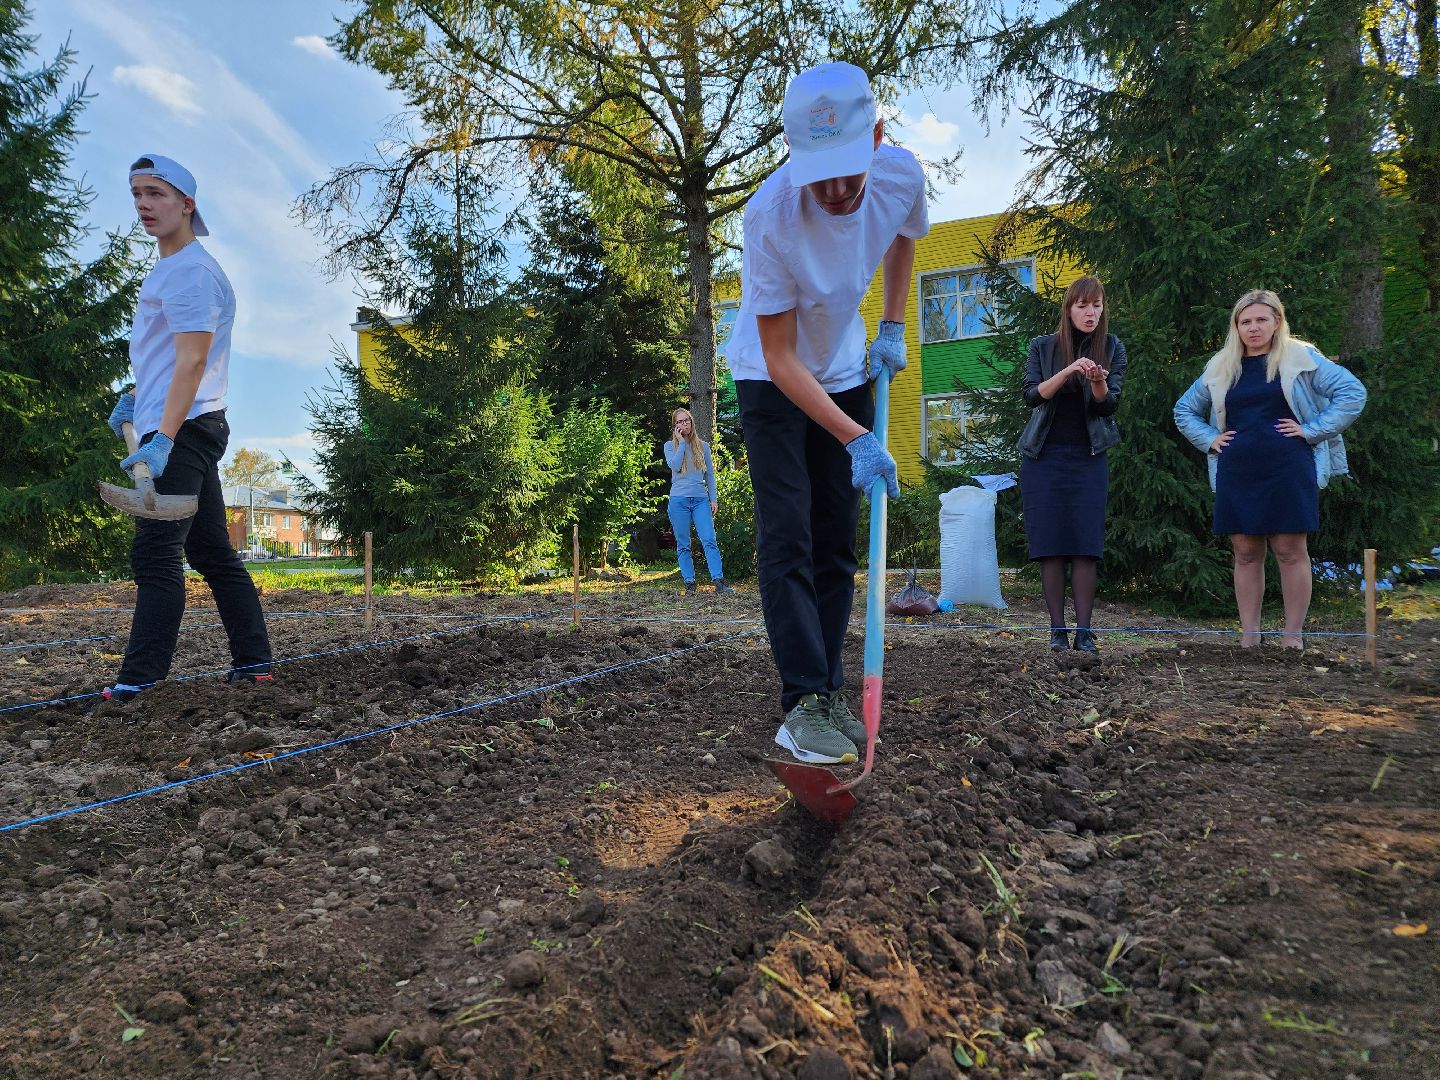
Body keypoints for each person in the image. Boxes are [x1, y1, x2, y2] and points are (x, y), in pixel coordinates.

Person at [724, 61, 927, 764]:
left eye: (850, 170)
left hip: (844, 369)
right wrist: (858, 437)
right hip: (769, 376)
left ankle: (833, 692)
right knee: (790, 536)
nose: (838, 193)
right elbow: (781, 359)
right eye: (821, 175)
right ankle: (803, 701)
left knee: (837, 537)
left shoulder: (901, 174)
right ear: (793, 155)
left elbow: (903, 233)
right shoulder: (772, 215)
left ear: (875, 135)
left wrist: (893, 325)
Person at [102, 154, 273, 701]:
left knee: (155, 556)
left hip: (183, 428)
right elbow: (167, 359)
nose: (144, 205)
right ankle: (254, 661)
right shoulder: (174, 267)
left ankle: (139, 679)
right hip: (182, 421)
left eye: (156, 194)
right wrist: (136, 398)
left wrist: (164, 436)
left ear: (186, 203)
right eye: (137, 195)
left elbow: (194, 362)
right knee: (212, 554)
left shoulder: (191, 273)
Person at [1174, 289, 1366, 649]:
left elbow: (1352, 393)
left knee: (1290, 550)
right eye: (1245, 321)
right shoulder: (1221, 366)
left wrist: (1311, 430)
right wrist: (1210, 439)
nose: (1253, 327)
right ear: (1236, 326)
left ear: (1277, 321)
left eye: (1262, 319)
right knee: (1245, 552)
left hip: (1289, 468)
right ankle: (1250, 637)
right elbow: (1183, 410)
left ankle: (1292, 637)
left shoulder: (1300, 358)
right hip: (1238, 469)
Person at [1018, 276, 1128, 654]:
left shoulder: (1112, 347)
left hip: (1088, 458)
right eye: (1082, 305)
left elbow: (1106, 405)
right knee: (1051, 546)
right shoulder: (1042, 347)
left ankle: (1084, 633)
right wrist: (1067, 372)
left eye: (1096, 305)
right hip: (1043, 458)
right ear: (1068, 309)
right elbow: (1033, 395)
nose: (1090, 312)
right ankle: (1057, 633)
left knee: (1084, 546)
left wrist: (1097, 380)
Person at [664, 407, 732, 595]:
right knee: (683, 543)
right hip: (679, 500)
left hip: (701, 499)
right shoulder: (670, 446)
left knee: (709, 539)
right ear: (675, 425)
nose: (684, 424)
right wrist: (682, 443)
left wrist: (713, 499)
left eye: (687, 420)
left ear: (691, 422)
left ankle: (719, 581)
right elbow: (675, 466)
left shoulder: (703, 446)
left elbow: (709, 475)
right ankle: (690, 583)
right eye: (680, 421)